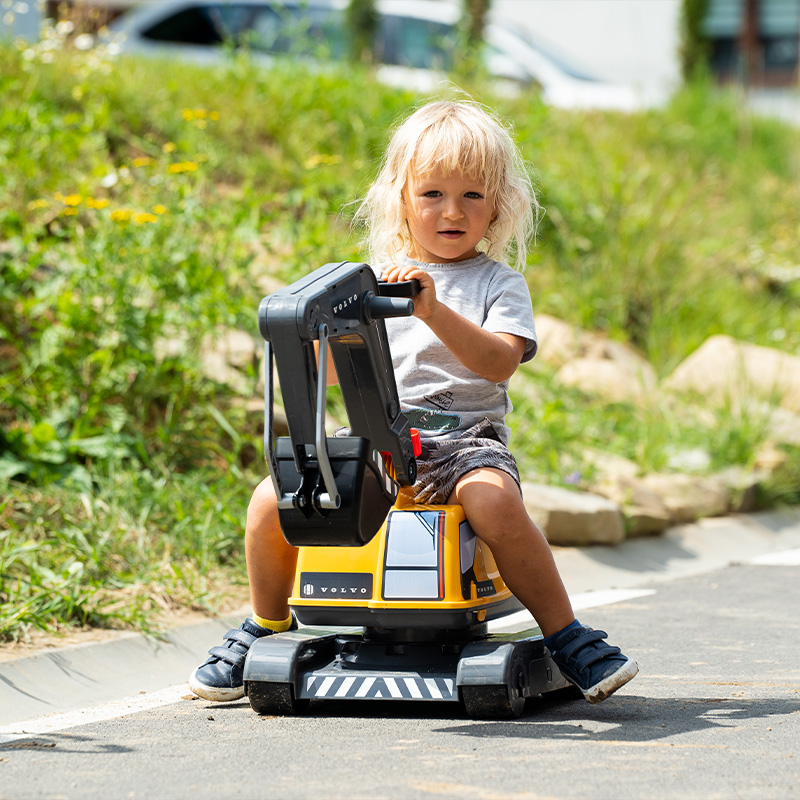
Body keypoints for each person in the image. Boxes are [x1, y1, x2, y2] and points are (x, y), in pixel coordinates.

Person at [189, 100, 638, 705]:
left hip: (463, 448)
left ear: (498, 206)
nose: (452, 212)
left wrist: (431, 310)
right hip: (376, 449)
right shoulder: (366, 282)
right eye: (432, 194)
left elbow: (499, 361)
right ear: (402, 199)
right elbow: (329, 368)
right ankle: (263, 626)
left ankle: (567, 634)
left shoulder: (497, 284)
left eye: (472, 196)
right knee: (272, 499)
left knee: (494, 500)